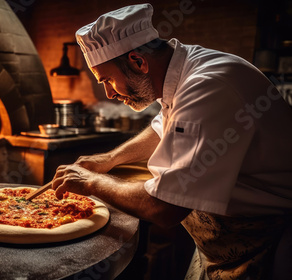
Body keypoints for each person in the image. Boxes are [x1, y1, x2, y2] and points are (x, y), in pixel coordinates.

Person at [51, 4, 292, 279]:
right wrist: (109, 159)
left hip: (267, 243)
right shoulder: (185, 70)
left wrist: (91, 182)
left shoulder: (208, 85)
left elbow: (164, 207)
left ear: (138, 62)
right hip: (222, 245)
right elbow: (163, 128)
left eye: (108, 80)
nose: (109, 94)